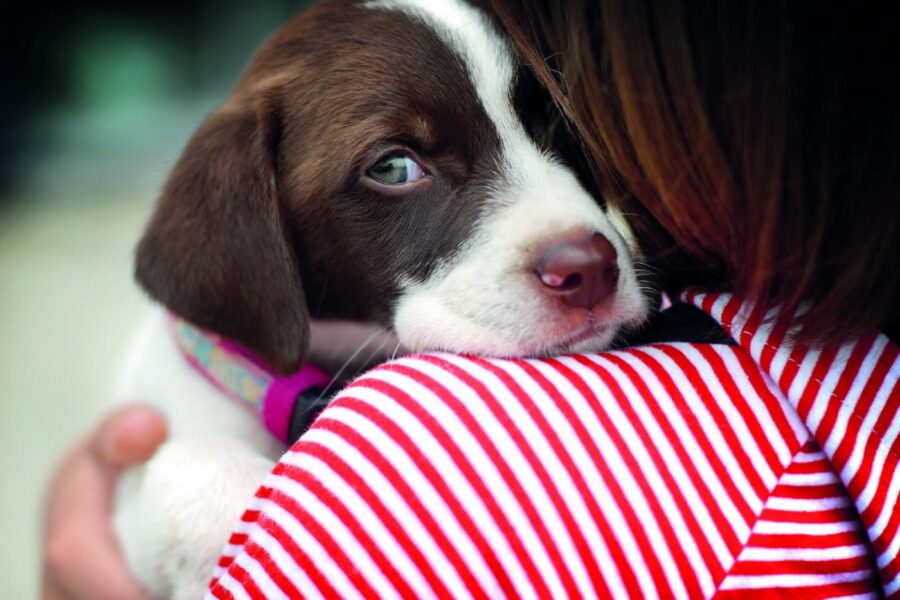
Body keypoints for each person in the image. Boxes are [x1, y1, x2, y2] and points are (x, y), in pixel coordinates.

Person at [44, 0, 899, 597]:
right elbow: (134, 515)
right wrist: (181, 496)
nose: (575, 239)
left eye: (555, 129)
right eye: (393, 167)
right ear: (250, 225)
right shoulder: (190, 366)